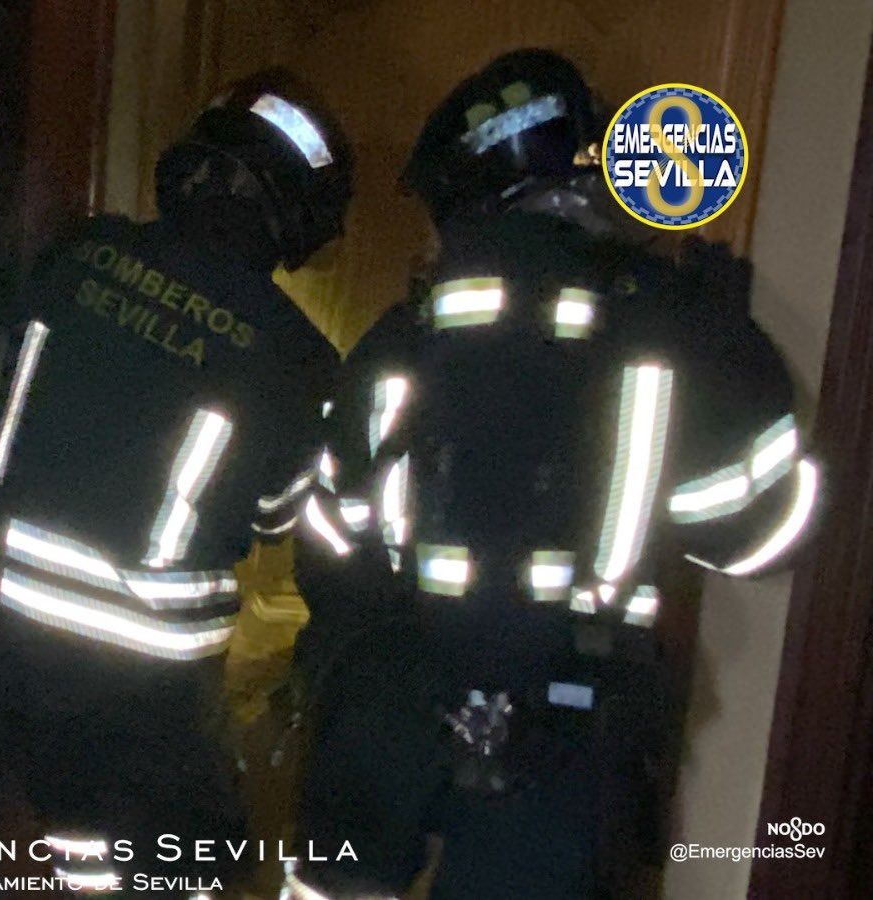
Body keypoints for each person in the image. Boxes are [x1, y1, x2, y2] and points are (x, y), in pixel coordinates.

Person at [288, 49, 820, 899]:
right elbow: (757, 538)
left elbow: (324, 547)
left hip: (386, 711)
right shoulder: (674, 331)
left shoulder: (399, 339)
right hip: (566, 734)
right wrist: (734, 353)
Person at [0, 71, 353, 895]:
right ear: (294, 213)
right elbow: (277, 516)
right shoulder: (294, 353)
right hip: (146, 686)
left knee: (12, 861)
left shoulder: (78, 257)